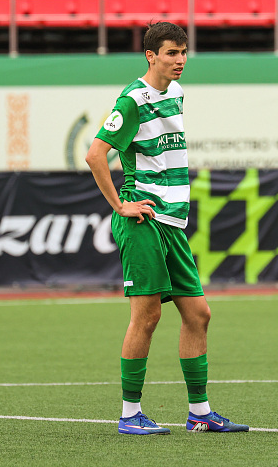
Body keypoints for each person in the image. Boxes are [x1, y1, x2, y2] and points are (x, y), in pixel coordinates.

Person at [85, 21, 249, 436]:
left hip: (173, 222)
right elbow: (95, 155)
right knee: (148, 316)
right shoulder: (132, 101)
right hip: (143, 219)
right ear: (151, 56)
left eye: (183, 52)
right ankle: (129, 414)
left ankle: (200, 413)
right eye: (172, 53)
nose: (180, 60)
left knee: (199, 314)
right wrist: (120, 205)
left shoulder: (176, 93)